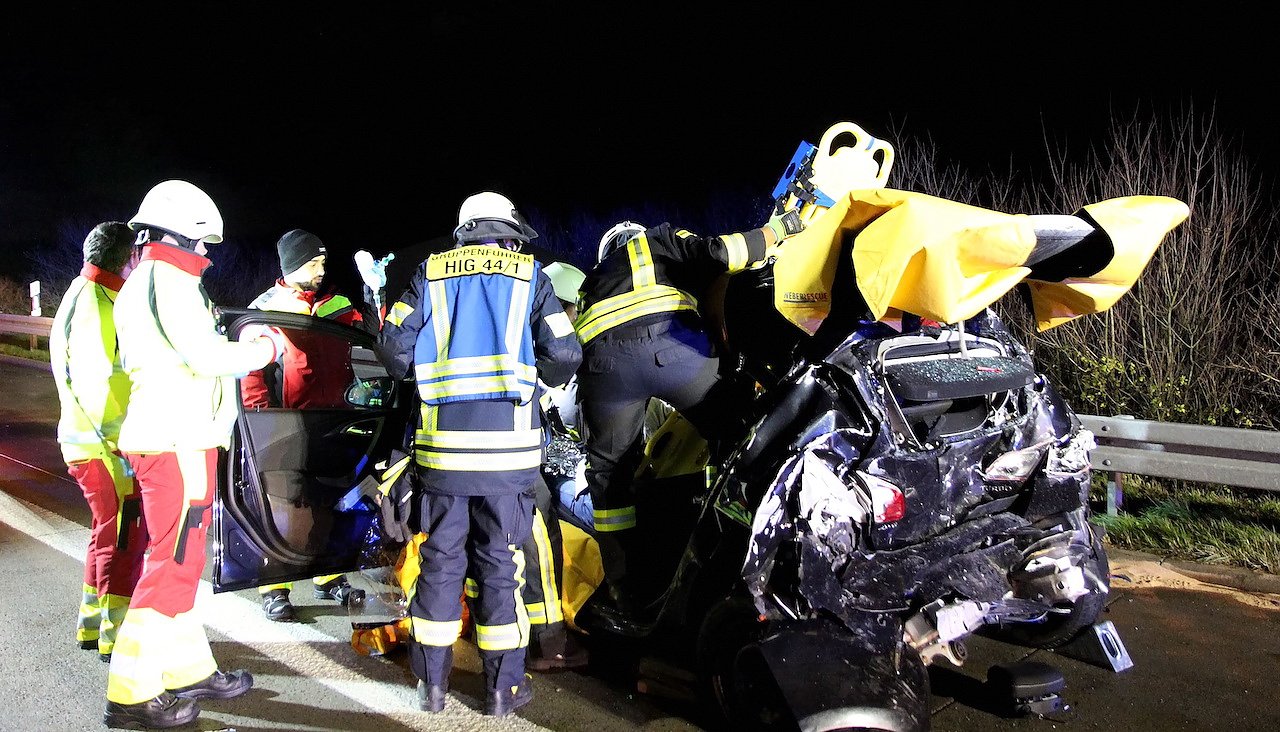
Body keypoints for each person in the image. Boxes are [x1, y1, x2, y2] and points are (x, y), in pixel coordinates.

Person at [377, 191, 581, 716]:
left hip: (443, 455)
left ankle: (432, 687)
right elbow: (564, 353)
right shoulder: (531, 276)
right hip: (508, 458)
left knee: (440, 563)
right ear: (509, 233)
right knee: (500, 566)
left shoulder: (430, 273)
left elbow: (393, 350)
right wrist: (532, 379)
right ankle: (500, 691)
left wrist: (431, 376)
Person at [106, 180, 284, 729]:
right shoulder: (167, 281)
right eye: (200, 241)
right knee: (171, 564)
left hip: (179, 439)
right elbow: (205, 357)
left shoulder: (153, 280)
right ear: (177, 235)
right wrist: (266, 348)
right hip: (176, 441)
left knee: (181, 563)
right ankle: (131, 693)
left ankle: (185, 670)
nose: (206, 252)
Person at [574, 213, 802, 617]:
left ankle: (624, 589)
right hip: (670, 346)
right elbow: (721, 253)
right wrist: (779, 229)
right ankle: (736, 546)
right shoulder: (658, 239)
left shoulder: (591, 283)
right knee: (738, 434)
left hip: (603, 369)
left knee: (610, 478)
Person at [242, 229, 366, 622]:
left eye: (323, 261)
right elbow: (250, 372)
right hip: (287, 422)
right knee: (284, 509)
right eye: (312, 262)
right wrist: (261, 419)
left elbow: (370, 341)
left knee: (328, 504)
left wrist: (374, 294)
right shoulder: (267, 308)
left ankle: (327, 576)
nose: (320, 269)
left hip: (335, 420)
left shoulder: (338, 303)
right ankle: (274, 587)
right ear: (292, 265)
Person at [49, 221, 148, 664]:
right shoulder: (97, 305)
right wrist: (125, 445)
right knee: (123, 539)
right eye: (137, 256)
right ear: (127, 258)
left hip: (90, 443)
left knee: (106, 534)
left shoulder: (88, 292)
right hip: (104, 447)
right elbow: (98, 386)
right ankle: (117, 637)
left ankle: (91, 625)